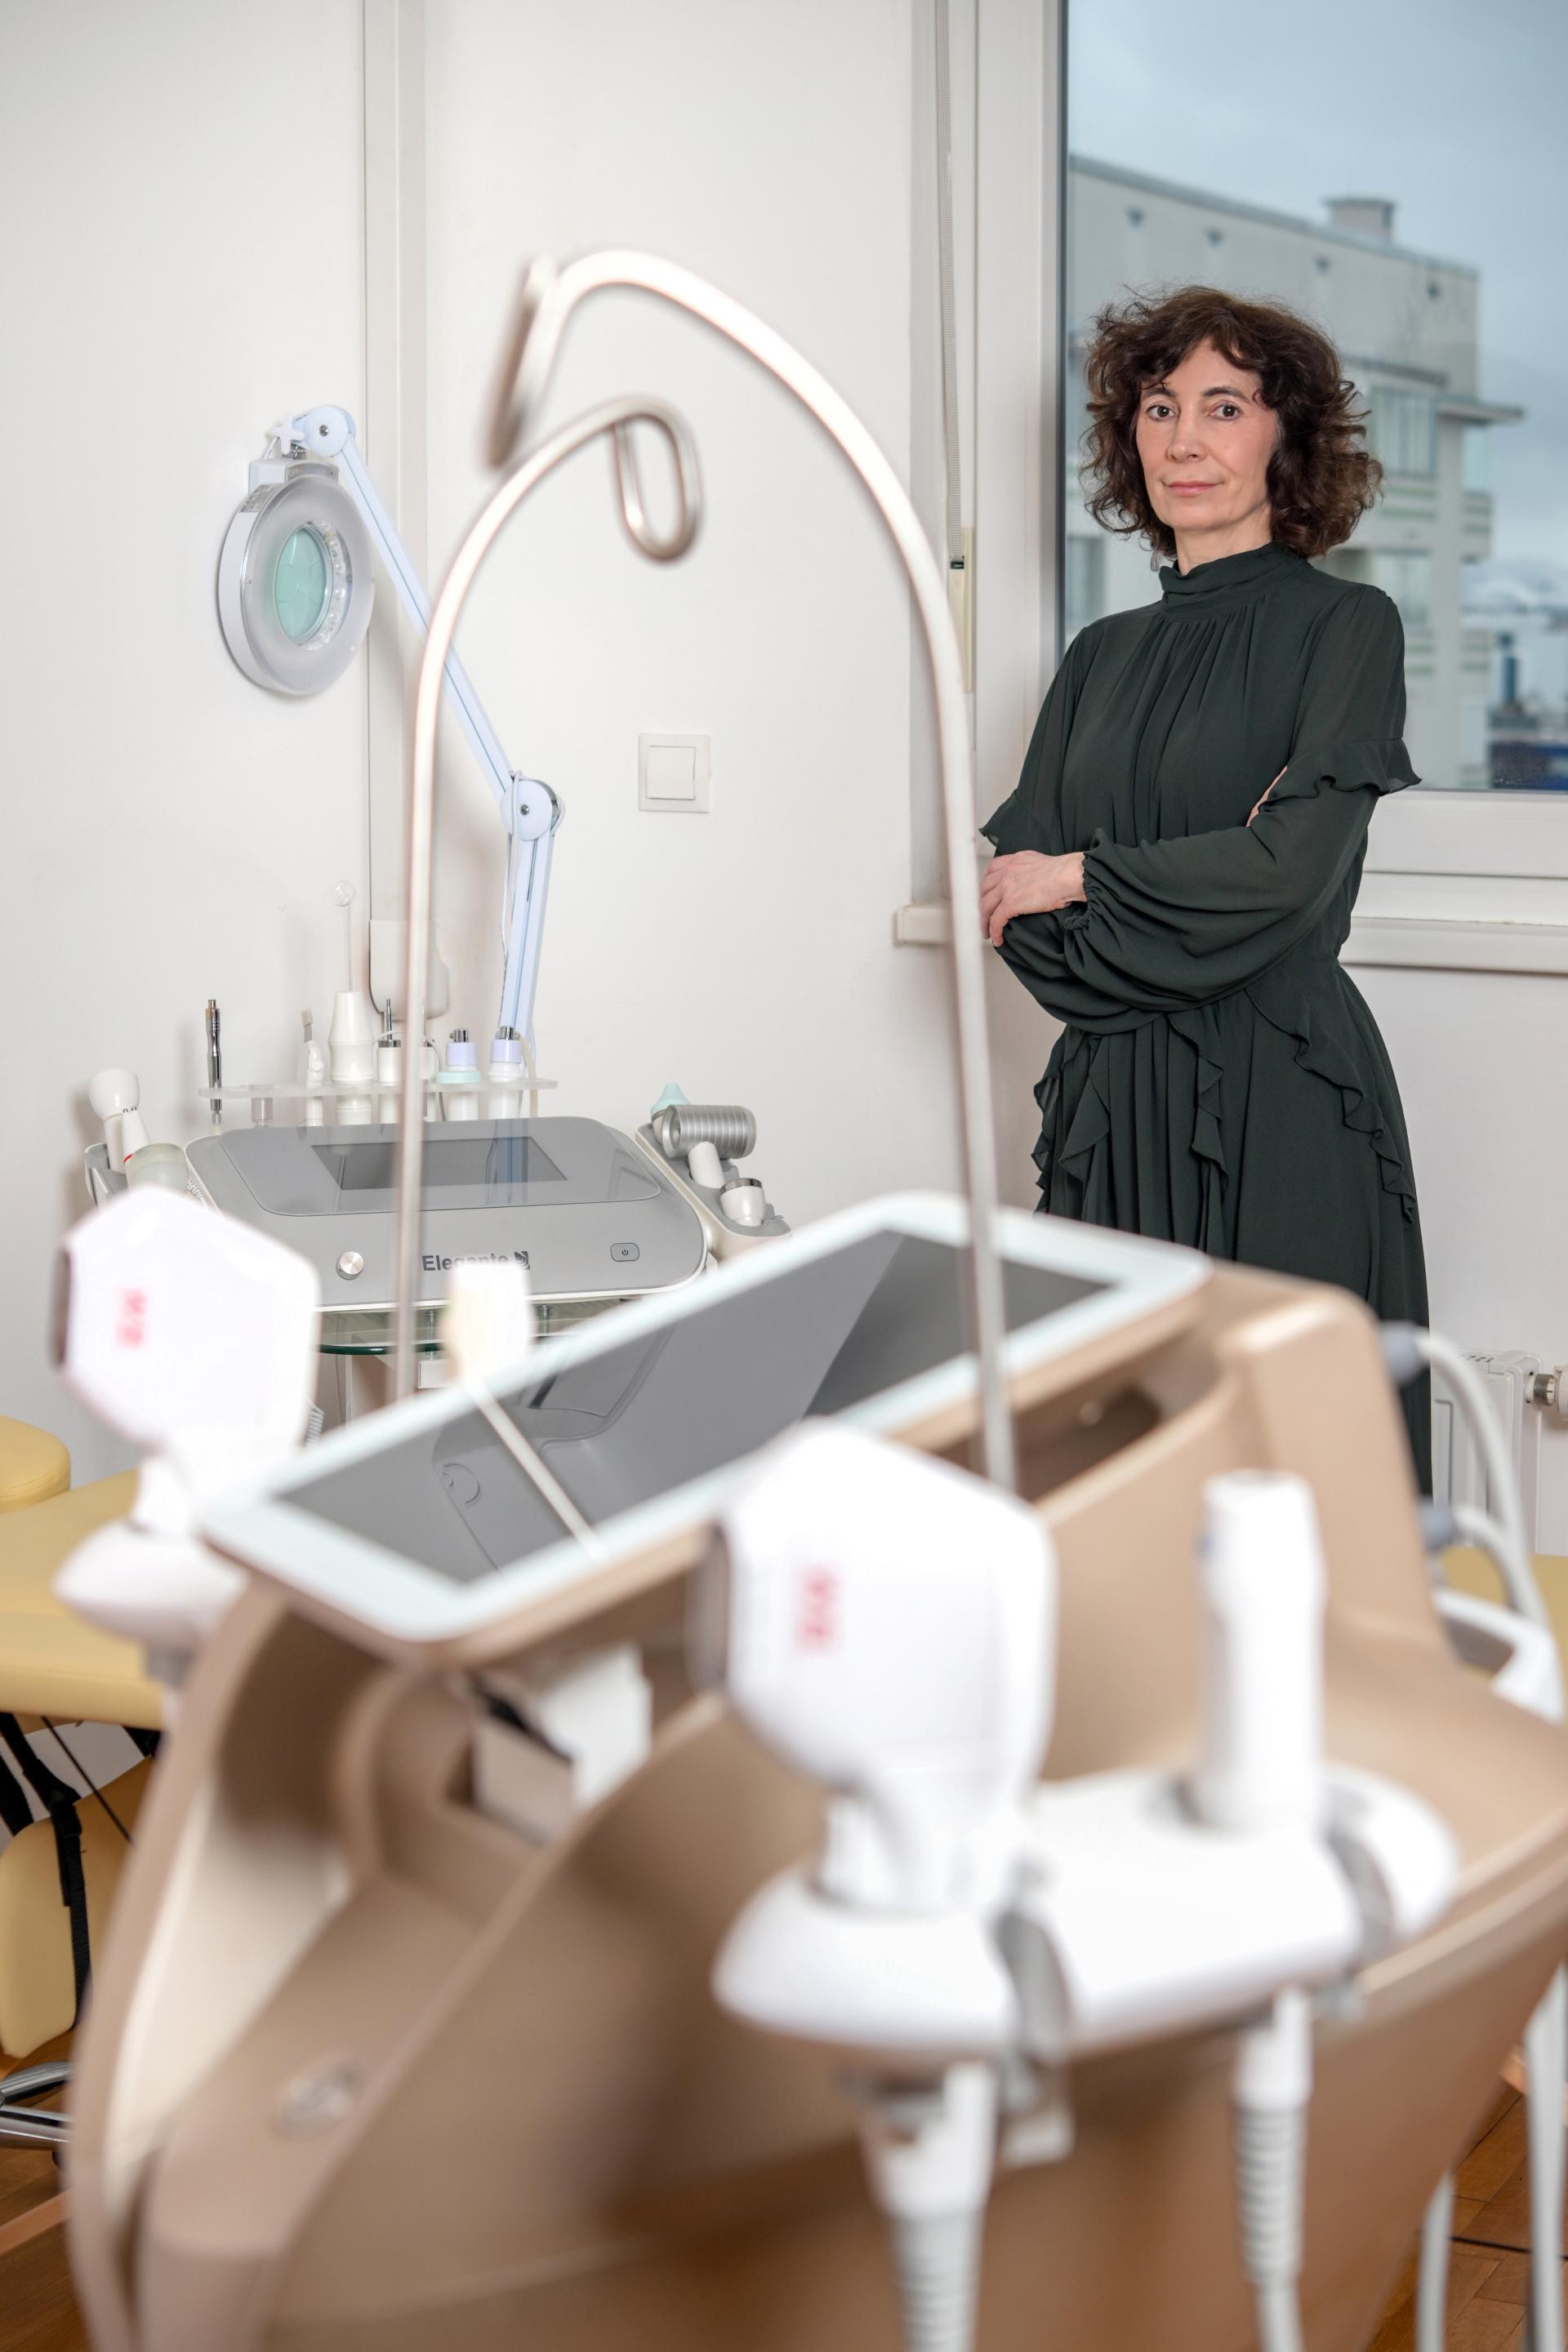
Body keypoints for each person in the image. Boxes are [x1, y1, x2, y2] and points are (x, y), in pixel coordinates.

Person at [980, 287, 1431, 1485]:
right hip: (1110, 1099)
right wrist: (1188, 890)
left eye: (1224, 407)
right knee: (1112, 1471)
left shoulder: (1350, 627)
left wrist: (1084, 875)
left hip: (1284, 1092)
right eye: (1159, 407)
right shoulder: (1098, 657)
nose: (1185, 439)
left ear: (1287, 435)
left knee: (1293, 1471)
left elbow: (1290, 876)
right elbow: (1015, 916)